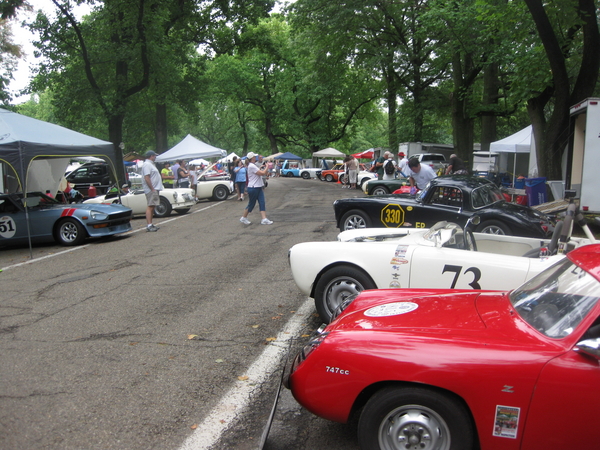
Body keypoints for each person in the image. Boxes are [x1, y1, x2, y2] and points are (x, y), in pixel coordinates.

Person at [240, 152, 273, 225]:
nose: (256, 157)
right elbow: (262, 173)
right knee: (251, 204)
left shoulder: (252, 165)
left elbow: (258, 172)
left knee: (262, 202)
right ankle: (243, 217)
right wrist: (267, 167)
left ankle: (264, 219)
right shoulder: (251, 166)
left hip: (257, 186)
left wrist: (260, 168)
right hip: (253, 187)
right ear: (252, 158)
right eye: (255, 156)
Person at [141, 150, 164, 232]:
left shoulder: (150, 164)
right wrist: (152, 188)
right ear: (151, 156)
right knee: (150, 206)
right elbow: (146, 177)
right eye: (154, 156)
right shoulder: (147, 165)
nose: (155, 157)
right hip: (151, 189)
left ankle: (151, 223)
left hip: (154, 188)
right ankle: (149, 225)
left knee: (152, 206)